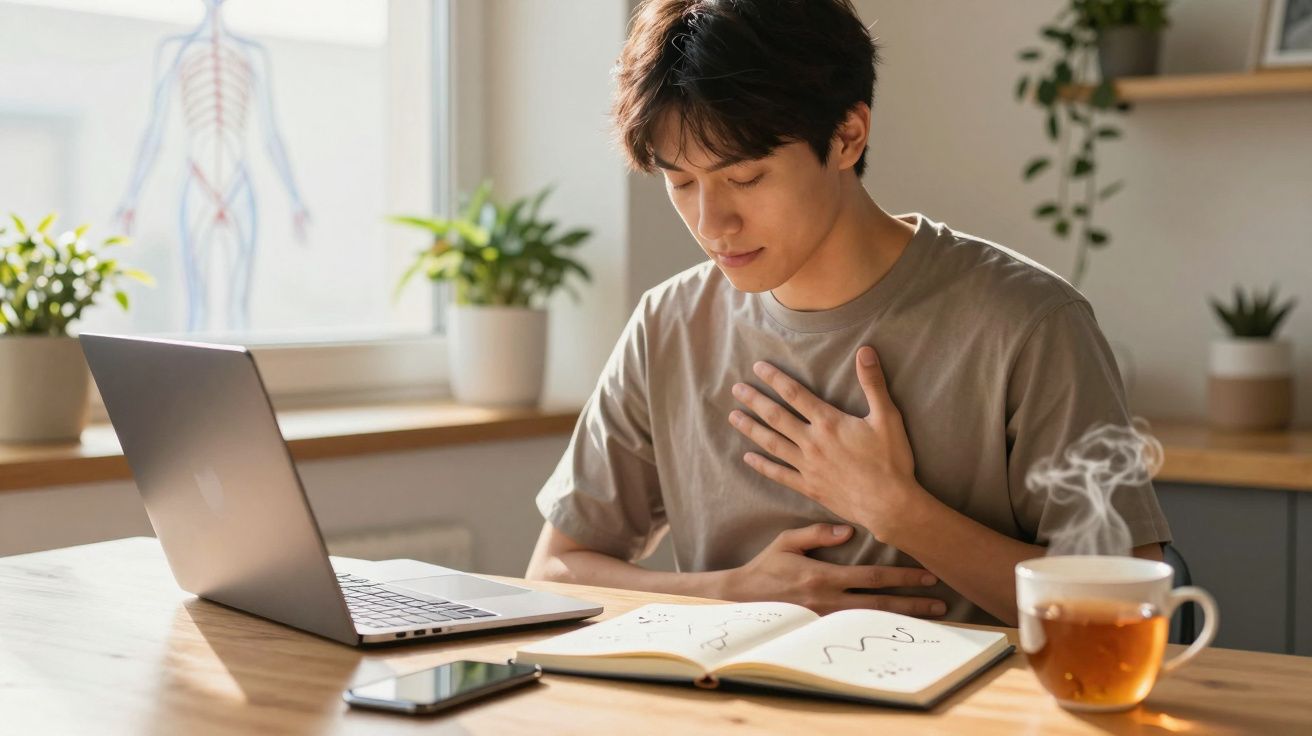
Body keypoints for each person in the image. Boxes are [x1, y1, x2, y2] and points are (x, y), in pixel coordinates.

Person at [525, 0, 1171, 627]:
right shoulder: (667, 325)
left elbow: (1127, 606)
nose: (710, 223)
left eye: (745, 179)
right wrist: (731, 591)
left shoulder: (1030, 322)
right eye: (681, 182)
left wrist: (896, 510)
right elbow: (553, 571)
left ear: (846, 135)